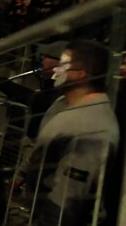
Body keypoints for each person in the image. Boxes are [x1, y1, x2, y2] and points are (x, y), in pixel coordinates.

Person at [17, 40, 119, 225]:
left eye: (63, 65)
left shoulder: (93, 129)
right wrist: (23, 173)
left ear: (81, 74)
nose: (56, 70)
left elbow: (65, 204)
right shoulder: (63, 103)